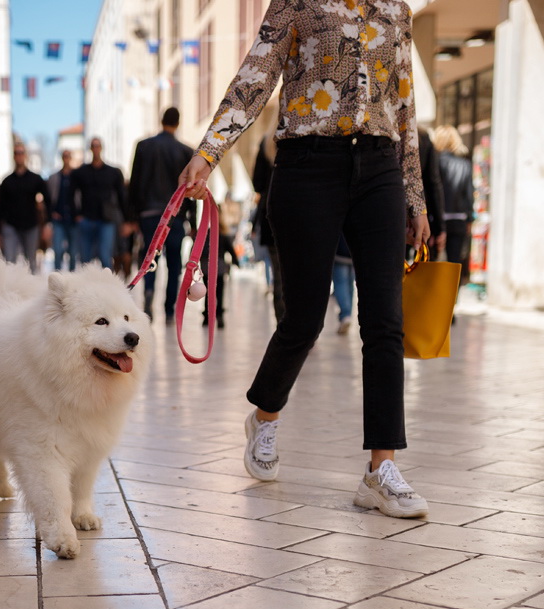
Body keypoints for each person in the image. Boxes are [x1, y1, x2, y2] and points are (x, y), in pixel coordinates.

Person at [180, 0, 432, 519]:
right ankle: (265, 415)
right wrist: (209, 151)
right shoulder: (299, 2)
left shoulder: (395, 11)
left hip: (381, 165)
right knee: (304, 316)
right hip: (307, 164)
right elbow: (256, 75)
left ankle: (379, 469)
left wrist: (416, 197)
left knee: (385, 320)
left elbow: (404, 107)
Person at [129, 107, 195, 321]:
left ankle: (149, 294)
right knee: (174, 262)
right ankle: (169, 308)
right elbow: (190, 188)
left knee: (149, 259)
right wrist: (192, 220)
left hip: (149, 214)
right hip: (175, 216)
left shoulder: (143, 146)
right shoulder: (185, 151)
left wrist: (133, 216)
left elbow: (135, 183)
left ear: (161, 120)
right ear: (178, 123)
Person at [73, 137, 127, 269]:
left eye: (98, 146)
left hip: (106, 220)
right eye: (93, 146)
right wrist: (77, 214)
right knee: (85, 258)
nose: (96, 149)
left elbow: (122, 197)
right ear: (91, 149)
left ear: (101, 148)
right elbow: (71, 194)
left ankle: (106, 287)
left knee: (105, 256)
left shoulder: (113, 172)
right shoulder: (81, 172)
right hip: (86, 219)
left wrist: (126, 221)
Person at [0, 144, 48, 272]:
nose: (19, 156)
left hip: (31, 225)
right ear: (14, 156)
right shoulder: (7, 181)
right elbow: (1, 207)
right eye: (16, 153)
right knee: (9, 262)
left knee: (31, 261)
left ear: (25, 156)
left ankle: (31, 290)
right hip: (11, 226)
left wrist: (47, 224)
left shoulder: (35, 179)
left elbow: (48, 200)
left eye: (21, 153)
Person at [252, 132, 285, 324]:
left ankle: (284, 327)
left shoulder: (267, 141)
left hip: (271, 213)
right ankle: (304, 327)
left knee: (280, 277)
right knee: (304, 274)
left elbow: (257, 183)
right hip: (303, 213)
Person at [432, 125, 474, 278]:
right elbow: (469, 196)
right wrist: (469, 220)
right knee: (454, 265)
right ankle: (451, 300)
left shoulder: (433, 162)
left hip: (435, 219)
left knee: (430, 263)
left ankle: (432, 298)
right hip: (458, 219)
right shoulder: (465, 165)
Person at [46, 150, 78, 271]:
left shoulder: (76, 176)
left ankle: (72, 277)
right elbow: (49, 198)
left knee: (73, 252)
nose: (66, 158)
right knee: (58, 250)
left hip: (73, 219)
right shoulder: (54, 177)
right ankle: (57, 277)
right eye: (64, 156)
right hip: (58, 219)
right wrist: (51, 213)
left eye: (68, 156)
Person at [418, 128, 446, 260]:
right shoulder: (422, 137)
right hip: (421, 212)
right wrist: (440, 228)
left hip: (391, 209)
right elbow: (433, 183)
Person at [332, 236, 355, 336]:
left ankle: (346, 314)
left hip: (339, 253)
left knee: (341, 284)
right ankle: (348, 314)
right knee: (350, 284)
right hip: (354, 253)